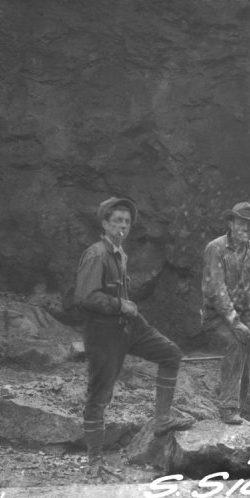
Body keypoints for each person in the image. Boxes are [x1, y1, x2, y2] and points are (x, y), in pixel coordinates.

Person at [75, 196, 194, 479]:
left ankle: (162, 419)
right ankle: (94, 461)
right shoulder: (97, 254)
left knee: (171, 353)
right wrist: (119, 305)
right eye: (117, 221)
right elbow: (85, 296)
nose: (123, 226)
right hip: (103, 334)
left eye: (127, 222)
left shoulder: (120, 254)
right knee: (99, 396)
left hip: (128, 327)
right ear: (104, 224)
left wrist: (128, 311)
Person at [200, 201, 250, 425]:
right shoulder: (216, 248)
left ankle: (238, 405)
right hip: (216, 316)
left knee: (244, 352)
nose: (247, 229)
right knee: (236, 342)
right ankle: (228, 407)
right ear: (231, 223)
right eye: (242, 223)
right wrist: (235, 322)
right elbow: (217, 290)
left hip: (245, 314)